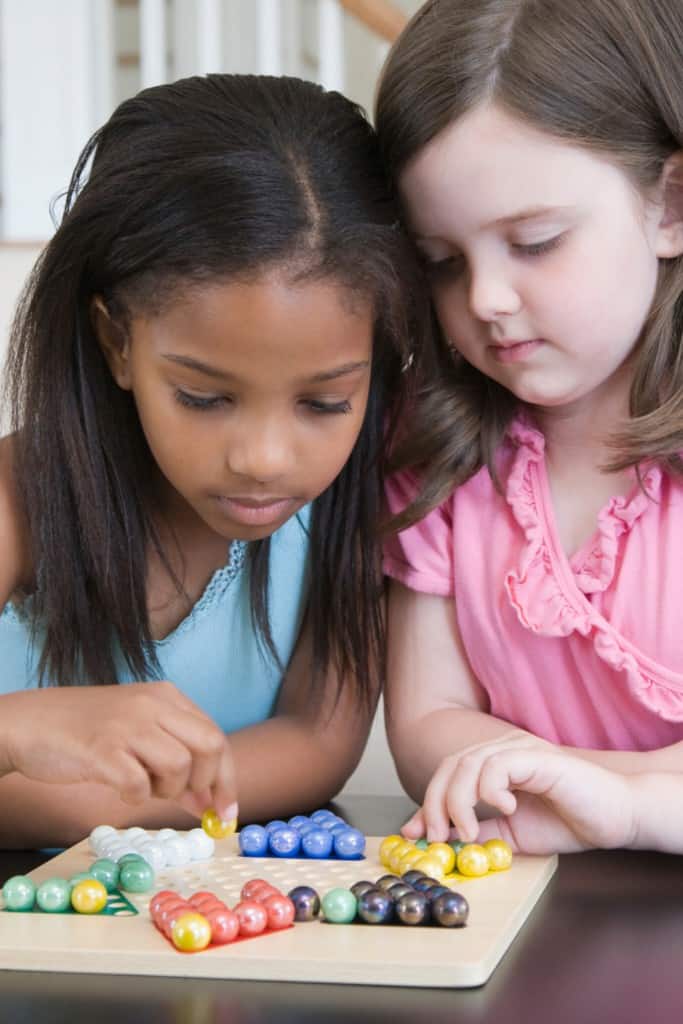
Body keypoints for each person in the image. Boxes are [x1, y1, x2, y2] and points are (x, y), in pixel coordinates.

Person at [0, 73, 428, 848]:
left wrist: (87, 807)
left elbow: (315, 743)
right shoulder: (17, 499)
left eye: (325, 403)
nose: (263, 460)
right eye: (203, 397)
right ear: (116, 342)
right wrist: (18, 729)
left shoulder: (356, 507)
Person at [375, 0, 683, 854]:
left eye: (536, 241)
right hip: (526, 921)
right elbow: (426, 722)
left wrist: (611, 808)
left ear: (670, 205)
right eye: (441, 262)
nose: (483, 301)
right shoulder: (437, 448)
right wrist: (562, 791)